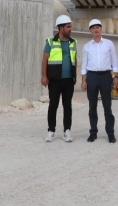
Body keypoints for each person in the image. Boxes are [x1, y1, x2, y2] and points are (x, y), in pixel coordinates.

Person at [81, 19, 118, 143]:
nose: (96, 29)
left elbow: (114, 60)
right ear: (90, 31)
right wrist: (84, 80)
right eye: (93, 28)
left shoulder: (109, 44)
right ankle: (93, 132)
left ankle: (110, 133)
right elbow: (84, 65)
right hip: (92, 76)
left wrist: (115, 76)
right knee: (92, 106)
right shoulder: (87, 46)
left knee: (107, 106)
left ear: (101, 29)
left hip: (105, 76)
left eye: (98, 27)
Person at [41, 14, 77, 143]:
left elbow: (75, 59)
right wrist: (44, 76)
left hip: (68, 80)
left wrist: (74, 76)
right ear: (60, 28)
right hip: (54, 80)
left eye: (70, 26)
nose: (70, 29)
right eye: (68, 27)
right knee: (53, 106)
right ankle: (51, 130)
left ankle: (67, 131)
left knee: (67, 106)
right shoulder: (50, 41)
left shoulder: (73, 42)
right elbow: (45, 59)